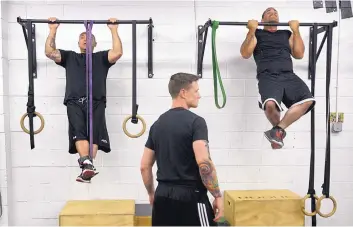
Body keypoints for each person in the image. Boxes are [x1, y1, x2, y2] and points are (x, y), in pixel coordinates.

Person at [44, 17, 123, 183]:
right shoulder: (70, 57)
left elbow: (117, 53)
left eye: (89, 37)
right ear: (78, 42)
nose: (86, 38)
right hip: (74, 101)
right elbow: (50, 52)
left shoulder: (101, 58)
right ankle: (87, 165)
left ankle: (88, 166)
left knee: (95, 135)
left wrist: (113, 30)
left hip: (97, 101)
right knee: (79, 132)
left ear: (94, 44)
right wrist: (53, 30)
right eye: (82, 37)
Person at [140, 73, 224, 226]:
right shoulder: (196, 122)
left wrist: (152, 194)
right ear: (183, 93)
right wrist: (217, 196)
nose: (199, 96)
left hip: (162, 196)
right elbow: (204, 162)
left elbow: (144, 166)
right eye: (196, 91)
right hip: (191, 196)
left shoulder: (157, 125)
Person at [240, 7, 315, 149]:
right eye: (269, 12)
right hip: (268, 75)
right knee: (270, 105)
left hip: (288, 74)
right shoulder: (257, 33)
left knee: (308, 101)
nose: (273, 13)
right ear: (262, 20)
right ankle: (277, 134)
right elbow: (245, 53)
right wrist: (251, 30)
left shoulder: (287, 34)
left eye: (275, 12)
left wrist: (296, 31)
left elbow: (299, 54)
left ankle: (277, 132)